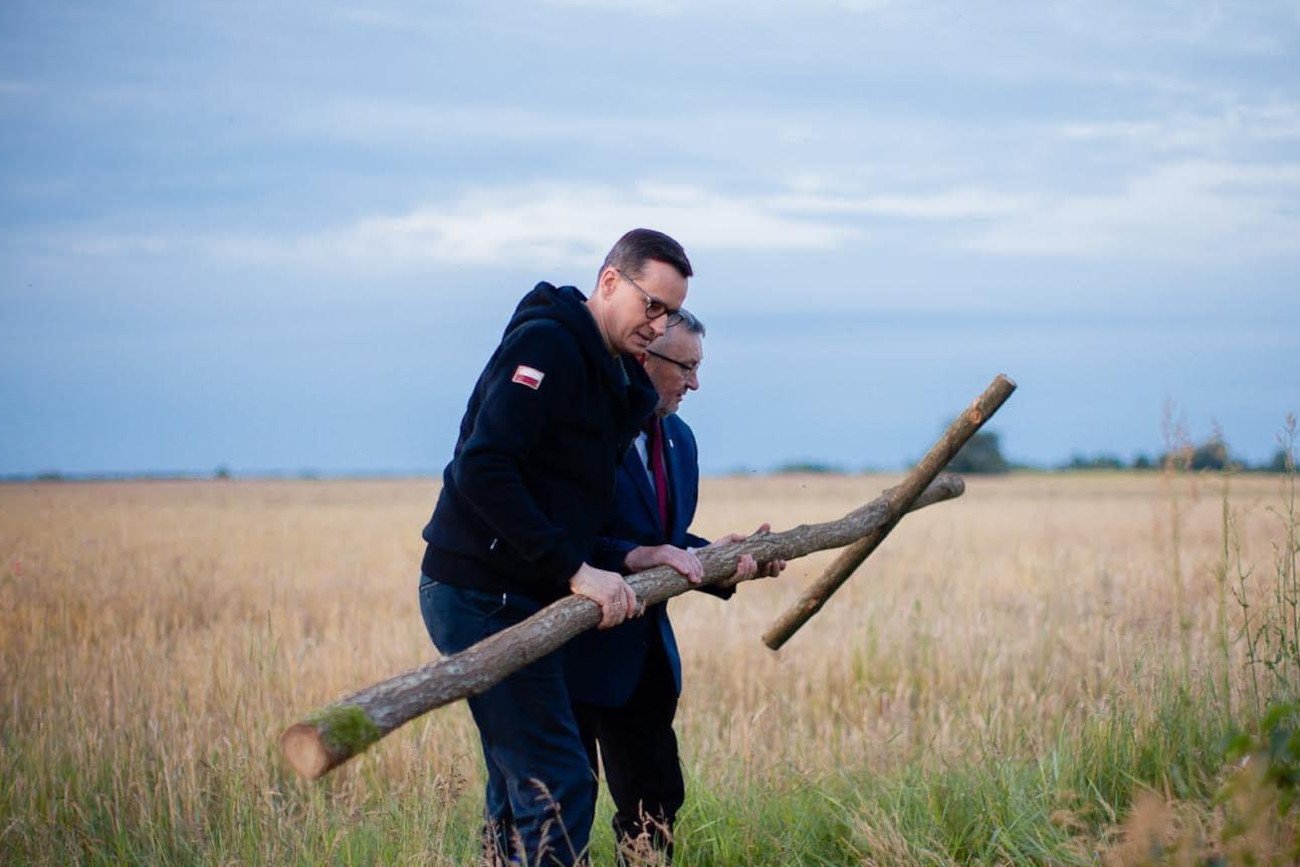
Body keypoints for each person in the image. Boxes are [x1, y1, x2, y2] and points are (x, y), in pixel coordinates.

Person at [417, 229, 697, 866]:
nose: (658, 326)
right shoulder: (547, 344)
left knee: (523, 783)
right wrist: (575, 571)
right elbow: (483, 467)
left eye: (670, 313)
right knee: (558, 780)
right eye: (651, 305)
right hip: (478, 592)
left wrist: (633, 557)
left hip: (523, 592)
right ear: (608, 282)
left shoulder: (610, 375)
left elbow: (574, 506)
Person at [567, 311, 786, 864]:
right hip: (562, 654)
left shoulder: (681, 439)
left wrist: (721, 557)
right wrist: (628, 558)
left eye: (698, 368)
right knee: (553, 807)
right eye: (686, 367)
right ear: (644, 358)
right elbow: (554, 531)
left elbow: (662, 540)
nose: (695, 383)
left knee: (655, 806)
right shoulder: (584, 427)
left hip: (642, 659)